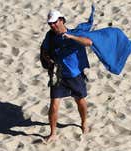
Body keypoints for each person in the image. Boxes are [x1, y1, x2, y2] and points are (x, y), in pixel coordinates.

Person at [40, 9, 94, 143]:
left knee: (80, 100)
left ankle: (84, 123)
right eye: (50, 24)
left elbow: (88, 42)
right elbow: (44, 50)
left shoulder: (74, 34)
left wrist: (71, 37)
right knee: (54, 105)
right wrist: (48, 60)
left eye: (54, 22)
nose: (52, 26)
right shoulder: (50, 36)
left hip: (75, 75)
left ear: (61, 20)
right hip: (58, 75)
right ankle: (53, 133)